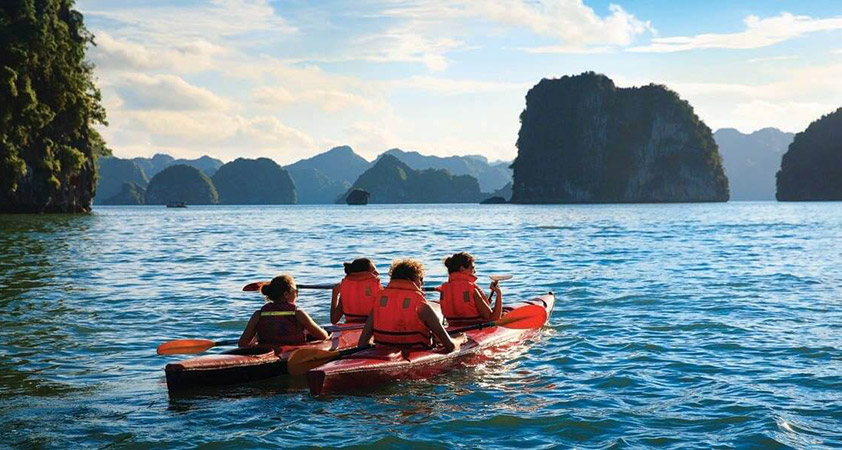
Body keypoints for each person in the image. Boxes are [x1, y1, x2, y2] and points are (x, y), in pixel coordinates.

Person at [358, 259, 465, 353]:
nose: (422, 284)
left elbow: (362, 343)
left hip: (382, 353)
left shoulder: (379, 303)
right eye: (421, 279)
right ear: (414, 280)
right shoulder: (422, 307)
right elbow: (450, 346)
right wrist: (460, 339)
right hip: (415, 356)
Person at [239, 274, 329, 347]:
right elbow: (323, 336)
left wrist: (256, 339)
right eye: (295, 291)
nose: (297, 294)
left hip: (268, 352)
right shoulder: (298, 314)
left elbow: (242, 343)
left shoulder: (258, 314)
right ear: (286, 294)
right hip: (292, 355)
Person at [438, 252, 502, 325]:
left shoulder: (444, 289)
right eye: (472, 268)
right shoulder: (471, 288)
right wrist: (498, 294)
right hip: (475, 328)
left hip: (453, 328)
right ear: (462, 269)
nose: (474, 272)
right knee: (505, 314)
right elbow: (493, 319)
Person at [330, 258, 382, 324]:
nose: (378, 273)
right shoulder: (377, 289)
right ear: (365, 274)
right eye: (374, 271)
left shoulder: (347, 289)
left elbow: (334, 320)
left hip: (350, 328)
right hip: (372, 327)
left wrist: (335, 294)